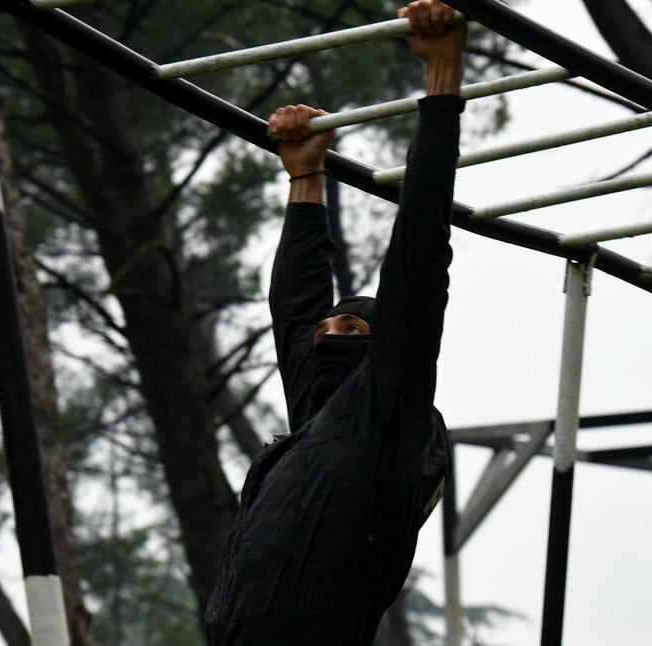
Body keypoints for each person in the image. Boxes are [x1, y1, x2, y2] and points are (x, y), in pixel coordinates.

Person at [204, 2, 465, 643]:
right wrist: (305, 175)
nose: (327, 335)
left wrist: (442, 81)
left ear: (384, 351)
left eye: (351, 331)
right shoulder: (316, 430)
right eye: (330, 329)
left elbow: (417, 259)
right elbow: (295, 309)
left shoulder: (385, 413)